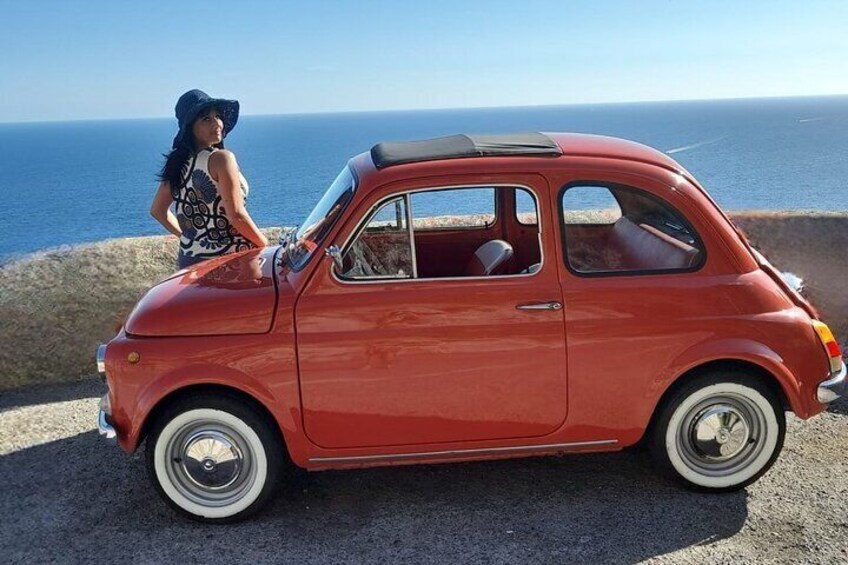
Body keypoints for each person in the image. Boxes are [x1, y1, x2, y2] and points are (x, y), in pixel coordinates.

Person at [150, 89, 268, 269]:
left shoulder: (179, 163)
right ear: (191, 127)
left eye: (217, 116)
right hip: (229, 259)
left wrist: (189, 238)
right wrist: (264, 245)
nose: (217, 123)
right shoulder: (221, 158)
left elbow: (157, 211)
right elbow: (236, 214)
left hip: (189, 260)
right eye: (206, 119)